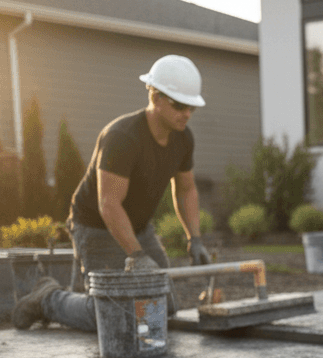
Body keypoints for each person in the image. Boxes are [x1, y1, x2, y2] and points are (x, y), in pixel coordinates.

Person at [12, 55, 212, 332]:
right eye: (179, 105)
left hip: (138, 227)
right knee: (109, 317)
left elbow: (186, 189)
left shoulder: (183, 138)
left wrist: (195, 239)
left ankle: (67, 298)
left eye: (191, 107)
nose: (187, 114)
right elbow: (109, 204)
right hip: (95, 226)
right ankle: (47, 298)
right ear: (155, 96)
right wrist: (137, 256)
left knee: (162, 310)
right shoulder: (123, 137)